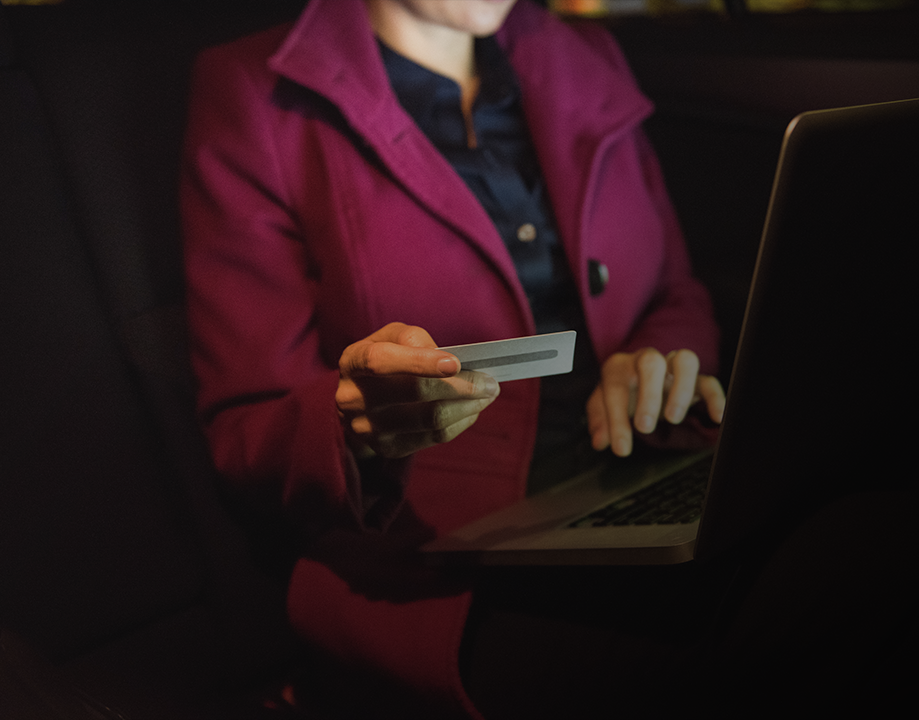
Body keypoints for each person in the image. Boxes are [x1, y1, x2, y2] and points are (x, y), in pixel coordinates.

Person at [182, 0, 727, 717]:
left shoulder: (583, 52)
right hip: (442, 560)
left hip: (637, 482)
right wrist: (357, 424)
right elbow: (247, 428)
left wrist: (660, 357)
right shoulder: (253, 89)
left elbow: (673, 288)